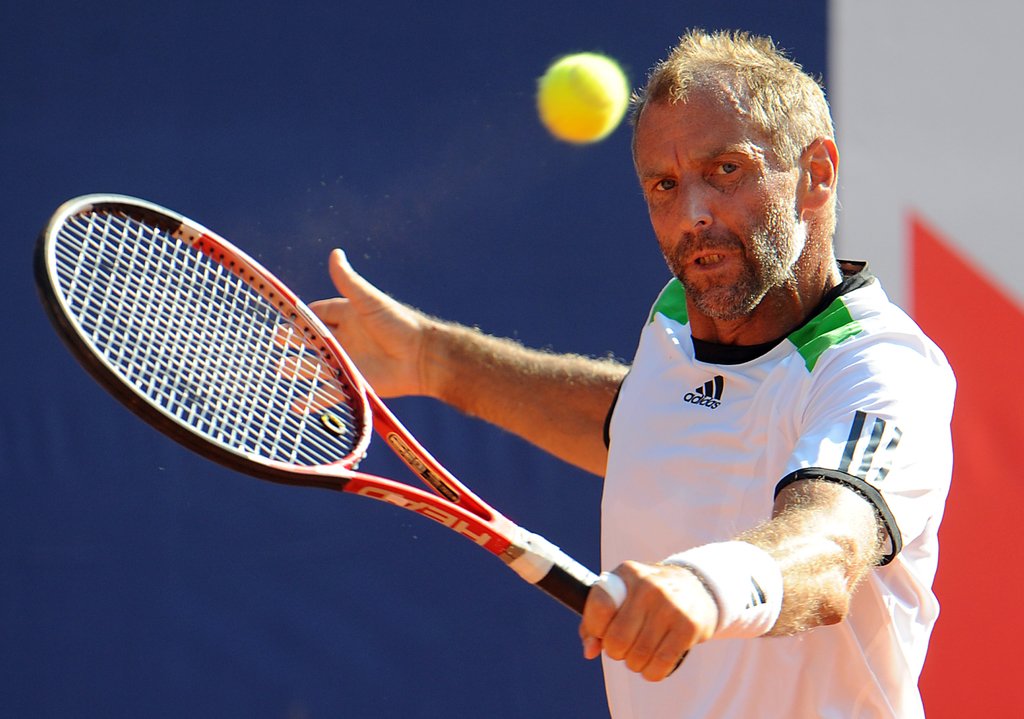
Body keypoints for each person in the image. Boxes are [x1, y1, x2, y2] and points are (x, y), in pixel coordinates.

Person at [309, 29, 954, 719]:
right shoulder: (675, 315)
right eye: (664, 186)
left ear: (815, 174)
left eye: (726, 170)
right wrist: (433, 359)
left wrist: (705, 586)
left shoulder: (880, 367)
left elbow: (830, 544)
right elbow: (649, 427)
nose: (692, 216)